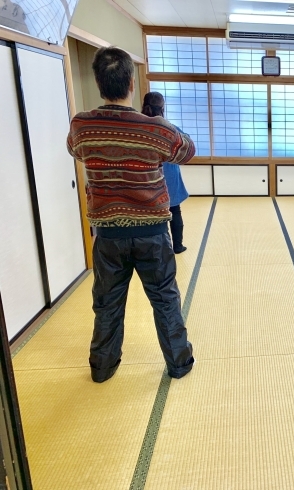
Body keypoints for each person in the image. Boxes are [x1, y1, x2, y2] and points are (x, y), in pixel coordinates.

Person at [67, 47, 196, 383]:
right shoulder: (155, 129)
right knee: (165, 298)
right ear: (132, 84)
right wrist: (161, 121)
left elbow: (73, 149)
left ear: (98, 82)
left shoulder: (82, 125)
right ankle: (179, 363)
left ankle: (102, 367)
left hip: (108, 234)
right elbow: (188, 150)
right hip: (153, 231)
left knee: (107, 303)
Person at [142, 91, 189, 254]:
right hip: (169, 173)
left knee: (151, 215)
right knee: (174, 210)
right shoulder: (169, 128)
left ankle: (156, 248)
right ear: (162, 108)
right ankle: (177, 245)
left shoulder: (139, 128)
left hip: (147, 176)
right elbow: (187, 144)